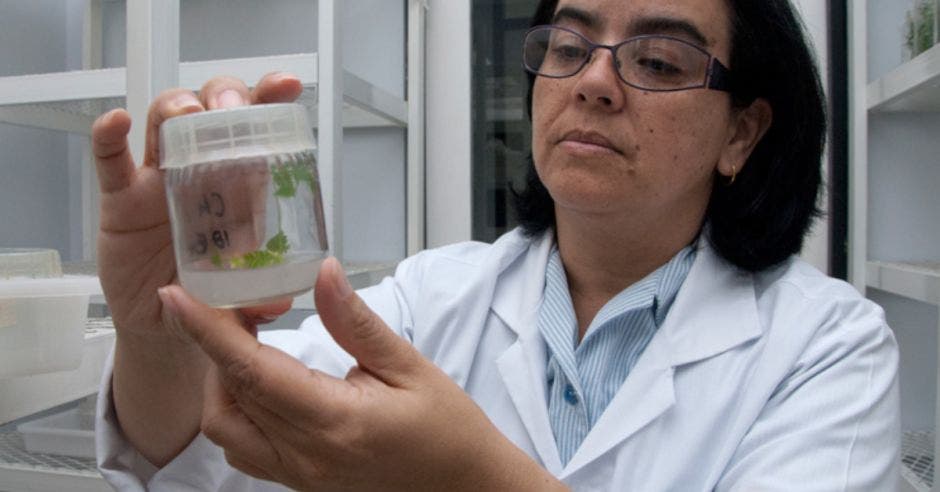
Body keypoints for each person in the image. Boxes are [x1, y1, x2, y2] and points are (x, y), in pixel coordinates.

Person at [93, 0, 900, 490]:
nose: (591, 82)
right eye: (569, 47)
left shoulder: (829, 347)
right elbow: (219, 456)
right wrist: (159, 337)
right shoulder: (430, 296)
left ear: (742, 133)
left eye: (657, 59)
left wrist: (465, 482)